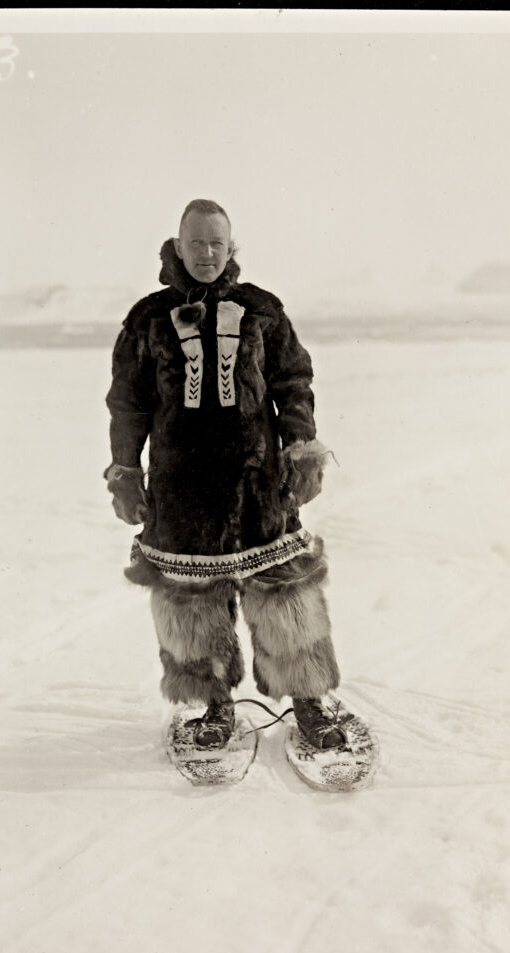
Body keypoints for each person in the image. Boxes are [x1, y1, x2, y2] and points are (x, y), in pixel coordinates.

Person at [104, 198, 351, 751]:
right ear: (178, 244)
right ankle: (214, 708)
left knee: (284, 592)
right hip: (180, 487)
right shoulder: (147, 319)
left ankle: (309, 701)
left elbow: (293, 381)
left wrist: (303, 448)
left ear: (230, 246)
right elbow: (128, 403)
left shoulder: (262, 309)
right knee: (192, 600)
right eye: (197, 243)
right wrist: (124, 470)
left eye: (217, 244)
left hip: (259, 484)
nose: (208, 254)